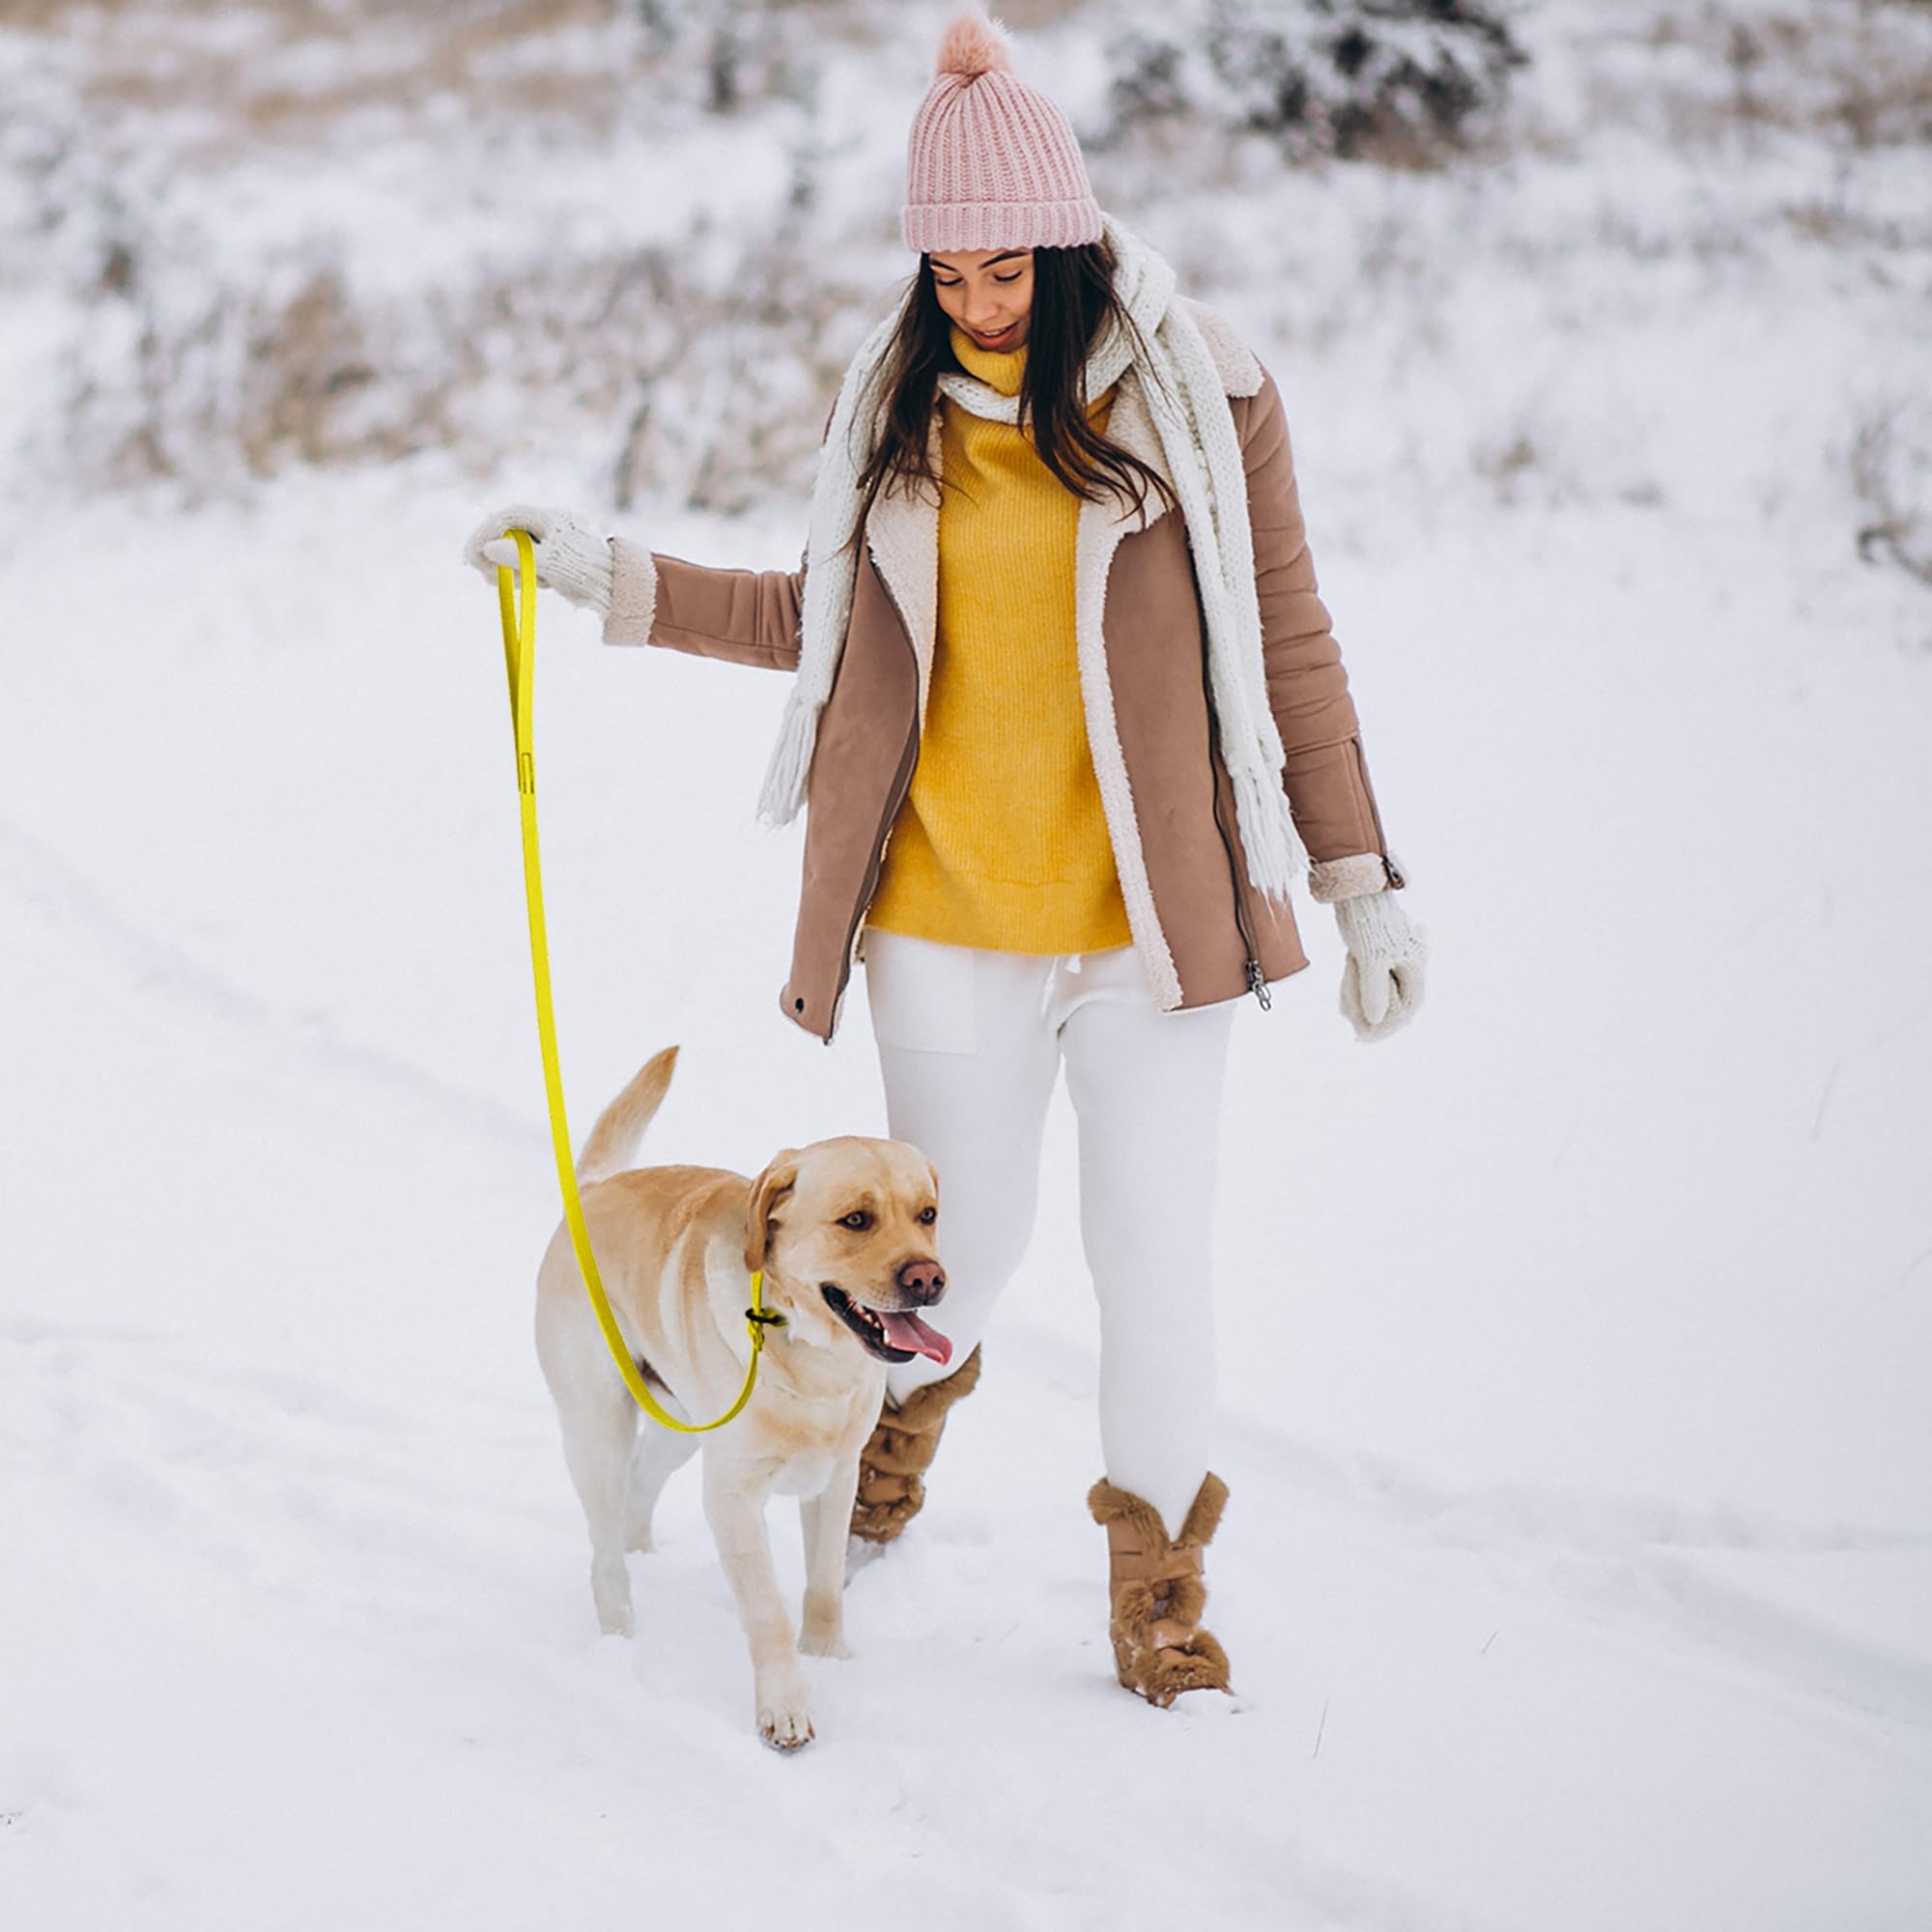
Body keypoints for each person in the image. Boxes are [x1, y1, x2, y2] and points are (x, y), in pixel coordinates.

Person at [465, 11, 1425, 1709]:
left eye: (1007, 271)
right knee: (941, 1271)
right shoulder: (896, 411)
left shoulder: (1212, 399)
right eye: (948, 276)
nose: (978, 304)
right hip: (944, 918)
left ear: (1069, 241)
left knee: (1156, 1257)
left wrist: (1358, 877)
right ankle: (880, 1461)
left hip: (1157, 926)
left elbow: (1290, 639)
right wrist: (609, 580)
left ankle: (1162, 1601)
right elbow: (814, 622)